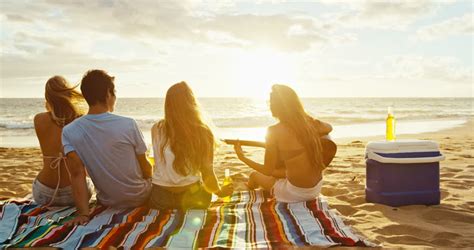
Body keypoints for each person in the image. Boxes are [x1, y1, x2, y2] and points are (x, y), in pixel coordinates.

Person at [62, 70, 152, 225]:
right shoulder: (128, 124)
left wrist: (83, 213)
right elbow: (144, 165)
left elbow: (77, 174)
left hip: (108, 200)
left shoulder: (69, 131)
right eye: (114, 92)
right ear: (108, 94)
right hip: (139, 197)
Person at [233, 84, 332, 203]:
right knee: (280, 173)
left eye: (270, 102)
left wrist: (242, 157)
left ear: (275, 106)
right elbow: (329, 127)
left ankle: (249, 191)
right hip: (314, 190)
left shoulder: (273, 131)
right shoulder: (312, 125)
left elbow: (267, 170)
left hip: (293, 194)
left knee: (254, 175)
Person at [148, 81, 233, 210]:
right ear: (192, 102)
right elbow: (207, 172)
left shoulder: (156, 128)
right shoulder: (203, 131)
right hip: (193, 198)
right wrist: (220, 192)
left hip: (161, 198)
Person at [32, 76, 94, 206]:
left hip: (44, 193)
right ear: (69, 94)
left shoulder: (39, 119)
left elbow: (54, 118)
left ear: (47, 97)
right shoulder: (81, 121)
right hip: (75, 194)